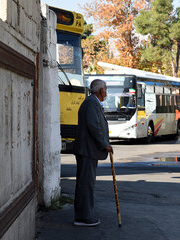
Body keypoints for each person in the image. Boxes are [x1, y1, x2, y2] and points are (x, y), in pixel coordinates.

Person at [73, 79, 113, 227]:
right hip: (87, 150)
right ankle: (83, 217)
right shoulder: (91, 103)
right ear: (101, 90)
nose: (106, 92)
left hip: (88, 150)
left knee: (86, 183)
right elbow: (93, 126)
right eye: (106, 89)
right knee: (86, 184)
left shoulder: (93, 102)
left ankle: (84, 214)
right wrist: (104, 144)